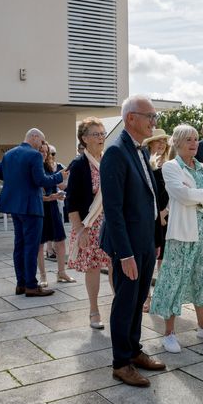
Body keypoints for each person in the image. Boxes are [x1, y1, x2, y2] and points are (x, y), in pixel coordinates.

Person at [100, 94, 166, 387]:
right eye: (150, 116)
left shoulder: (138, 149)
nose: (155, 121)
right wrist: (124, 254)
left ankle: (134, 350)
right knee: (125, 301)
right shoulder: (115, 151)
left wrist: (154, 238)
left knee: (139, 299)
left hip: (145, 240)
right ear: (131, 118)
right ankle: (120, 363)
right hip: (127, 244)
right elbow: (112, 209)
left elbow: (147, 198)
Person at [150, 124, 203, 353]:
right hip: (182, 233)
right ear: (179, 143)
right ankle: (169, 333)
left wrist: (200, 198)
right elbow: (180, 195)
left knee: (201, 278)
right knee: (175, 280)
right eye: (189, 140)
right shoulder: (171, 167)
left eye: (195, 139)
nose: (194, 143)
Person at [0, 128, 68, 297]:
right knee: (31, 246)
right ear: (34, 137)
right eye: (41, 141)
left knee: (19, 245)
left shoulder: (9, 154)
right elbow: (40, 180)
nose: (42, 145)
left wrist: (17, 180)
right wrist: (59, 176)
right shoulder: (34, 155)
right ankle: (31, 285)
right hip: (31, 207)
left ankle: (21, 283)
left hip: (15, 207)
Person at [67, 117, 112, 329]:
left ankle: (118, 305)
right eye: (96, 134)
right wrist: (80, 231)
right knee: (93, 267)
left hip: (111, 223)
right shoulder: (79, 164)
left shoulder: (109, 160)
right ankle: (94, 311)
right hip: (90, 225)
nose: (101, 137)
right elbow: (72, 202)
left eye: (103, 133)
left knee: (116, 265)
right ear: (84, 139)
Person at [36, 142, 75, 287]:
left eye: (46, 152)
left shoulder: (49, 166)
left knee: (60, 240)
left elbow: (56, 185)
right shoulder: (34, 167)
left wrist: (57, 194)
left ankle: (61, 272)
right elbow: (35, 192)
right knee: (40, 244)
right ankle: (43, 276)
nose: (44, 154)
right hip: (39, 208)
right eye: (41, 151)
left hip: (52, 207)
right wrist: (51, 197)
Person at [141, 128, 171, 313]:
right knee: (150, 259)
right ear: (150, 143)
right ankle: (147, 297)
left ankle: (160, 296)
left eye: (163, 141)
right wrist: (157, 213)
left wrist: (165, 212)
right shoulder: (145, 163)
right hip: (151, 218)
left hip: (167, 216)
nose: (161, 144)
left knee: (163, 259)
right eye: (157, 141)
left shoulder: (170, 164)